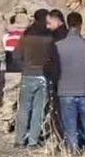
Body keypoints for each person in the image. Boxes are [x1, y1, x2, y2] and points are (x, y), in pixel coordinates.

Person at [55, 12, 85, 155]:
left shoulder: (58, 46)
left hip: (65, 92)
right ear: (80, 25)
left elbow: (53, 71)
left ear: (67, 24)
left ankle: (73, 155)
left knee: (70, 127)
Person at [14, 9, 57, 148]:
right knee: (39, 109)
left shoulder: (26, 36)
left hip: (27, 75)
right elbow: (54, 58)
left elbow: (16, 56)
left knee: (24, 108)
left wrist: (24, 67)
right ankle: (33, 141)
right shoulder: (50, 38)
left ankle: (19, 140)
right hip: (43, 76)